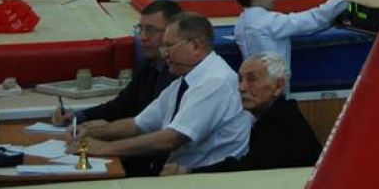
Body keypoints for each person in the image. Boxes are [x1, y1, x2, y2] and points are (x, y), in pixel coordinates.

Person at [73, 13, 251, 171]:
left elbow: (170, 139)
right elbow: (138, 125)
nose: (164, 53)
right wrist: (89, 133)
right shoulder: (183, 81)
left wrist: (105, 148)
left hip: (205, 179)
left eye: (169, 46)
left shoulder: (216, 81)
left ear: (195, 46)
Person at [51, 0, 182, 176]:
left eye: (151, 30)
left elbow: (159, 133)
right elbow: (120, 106)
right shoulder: (148, 64)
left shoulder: (179, 75)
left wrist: (104, 138)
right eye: (140, 29)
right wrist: (77, 116)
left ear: (172, 33)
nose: (142, 37)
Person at [172, 53, 322, 174]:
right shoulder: (278, 115)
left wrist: (188, 171)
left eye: (251, 79)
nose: (241, 88)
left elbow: (249, 169)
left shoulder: (279, 121)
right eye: (240, 80)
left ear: (278, 86)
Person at [230, 0, 347, 80]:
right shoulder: (269, 22)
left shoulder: (240, 24)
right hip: (274, 89)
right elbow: (316, 19)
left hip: (253, 87)